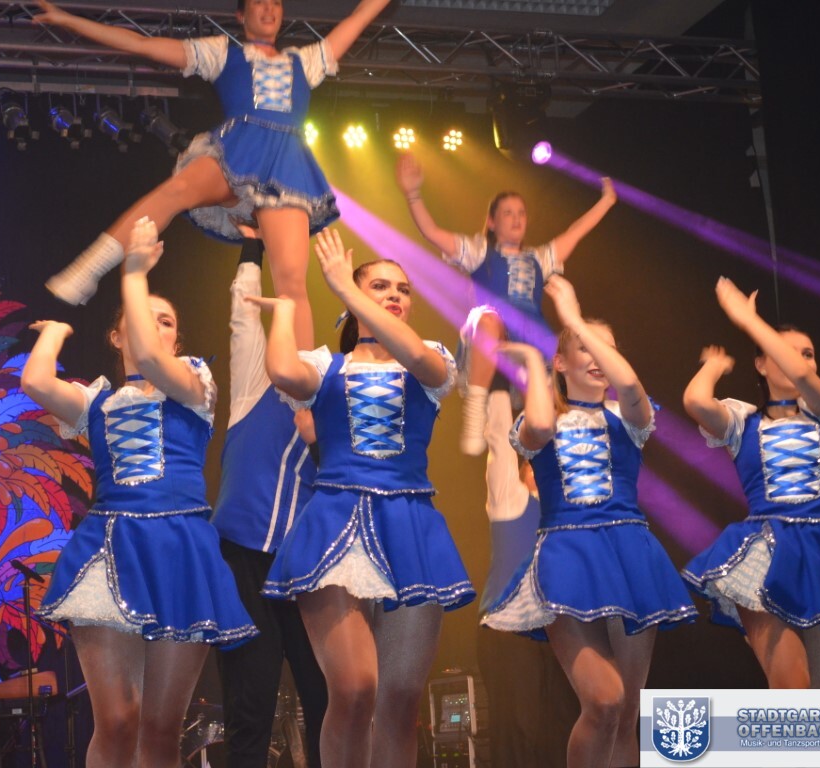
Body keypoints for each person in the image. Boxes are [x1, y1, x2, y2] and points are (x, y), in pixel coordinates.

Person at [21, 217, 258, 768]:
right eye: (142, 318)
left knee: (160, 729)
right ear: (116, 334)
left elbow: (152, 359)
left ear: (176, 339)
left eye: (166, 321)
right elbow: (34, 382)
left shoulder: (194, 385)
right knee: (118, 721)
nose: (155, 328)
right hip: (110, 551)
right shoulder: (97, 402)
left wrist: (133, 271)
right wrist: (55, 332)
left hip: (181, 550)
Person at [34, 0, 393, 351]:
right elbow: (141, 44)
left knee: (291, 282)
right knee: (175, 191)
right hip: (238, 152)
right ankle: (91, 267)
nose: (269, 9)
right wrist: (69, 20)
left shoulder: (308, 60)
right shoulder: (222, 53)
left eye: (276, 3)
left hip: (286, 168)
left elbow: (361, 14)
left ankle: (304, 381)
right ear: (241, 14)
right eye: (258, 2)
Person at [255, 228, 475, 768]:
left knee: (399, 704)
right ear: (353, 300)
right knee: (354, 689)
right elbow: (282, 371)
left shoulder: (429, 361)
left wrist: (347, 289)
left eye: (403, 289)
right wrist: (284, 312)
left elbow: (418, 356)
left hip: (410, 527)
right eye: (380, 286)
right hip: (334, 524)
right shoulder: (327, 367)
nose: (395, 295)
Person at [482, 276, 695, 768]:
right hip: (567, 557)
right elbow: (538, 427)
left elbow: (632, 386)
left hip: (630, 555)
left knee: (627, 714)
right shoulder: (540, 417)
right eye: (585, 347)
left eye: (607, 348)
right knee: (604, 701)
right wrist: (535, 363)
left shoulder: (630, 417)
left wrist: (577, 321)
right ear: (561, 362)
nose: (599, 357)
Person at [681, 277, 820, 688]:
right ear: (761, 364)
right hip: (764, 553)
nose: (799, 360)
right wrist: (714, 366)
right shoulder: (742, 421)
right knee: (792, 691)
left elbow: (801, 375)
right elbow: (695, 402)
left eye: (808, 354)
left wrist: (750, 321)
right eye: (783, 351)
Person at [394, 153, 616, 455]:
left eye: (521, 213)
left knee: (553, 410)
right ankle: (475, 411)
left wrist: (606, 201)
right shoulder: (479, 251)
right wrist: (413, 194)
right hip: (491, 340)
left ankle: (568, 450)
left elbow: (575, 232)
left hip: (532, 342)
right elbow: (432, 232)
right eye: (508, 213)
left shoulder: (539, 258)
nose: (516, 219)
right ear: (492, 221)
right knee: (487, 318)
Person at [212, 235, 328, 767]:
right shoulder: (253, 386)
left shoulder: (331, 397)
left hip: (308, 566)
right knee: (251, 704)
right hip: (245, 559)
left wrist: (318, 440)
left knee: (325, 700)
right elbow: (243, 318)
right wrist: (250, 251)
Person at [475, 368, 578, 768]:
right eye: (533, 462)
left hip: (562, 629)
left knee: (565, 730)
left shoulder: (571, 513)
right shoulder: (511, 499)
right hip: (510, 632)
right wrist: (499, 383)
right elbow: (499, 438)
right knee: (517, 731)